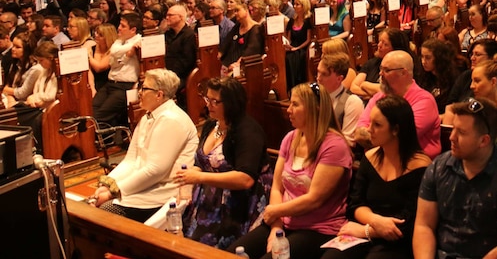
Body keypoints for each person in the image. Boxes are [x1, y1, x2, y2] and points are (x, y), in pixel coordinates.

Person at [229, 83, 353, 258]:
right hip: (284, 222)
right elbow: (277, 188)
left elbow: (314, 199)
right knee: (231, 254)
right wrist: (276, 226)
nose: (289, 110)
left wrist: (276, 212)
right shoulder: (291, 138)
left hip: (318, 228)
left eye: (295, 105)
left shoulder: (334, 146)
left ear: (315, 108)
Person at [413, 98, 497, 259]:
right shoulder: (439, 167)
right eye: (453, 129)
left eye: (462, 132)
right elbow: (424, 226)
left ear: (484, 140)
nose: (452, 137)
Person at [322, 95, 431, 259]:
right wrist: (374, 221)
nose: (369, 129)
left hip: (399, 241)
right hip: (367, 228)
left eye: (377, 125)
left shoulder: (420, 167)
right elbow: (355, 203)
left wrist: (367, 231)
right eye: (370, 122)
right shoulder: (371, 157)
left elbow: (408, 223)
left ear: (396, 130)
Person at [176, 77, 271, 249]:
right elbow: (200, 161)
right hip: (208, 198)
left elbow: (245, 179)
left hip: (239, 204)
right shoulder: (211, 125)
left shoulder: (248, 131)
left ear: (231, 103)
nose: (208, 105)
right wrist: (187, 183)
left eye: (215, 101)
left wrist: (199, 177)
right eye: (207, 99)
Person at [91, 69, 198, 222]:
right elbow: (131, 161)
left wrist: (113, 192)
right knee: (91, 204)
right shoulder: (149, 117)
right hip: (146, 186)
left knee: (105, 211)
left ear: (159, 95)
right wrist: (108, 184)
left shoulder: (171, 120)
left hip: (162, 193)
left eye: (144, 88)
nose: (139, 92)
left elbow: (155, 171)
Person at [356, 50, 441, 158]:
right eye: (381, 69)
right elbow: (359, 132)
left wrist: (373, 136)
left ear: (403, 73)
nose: (380, 74)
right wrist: (384, 137)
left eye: (386, 70)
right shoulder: (379, 96)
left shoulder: (424, 101)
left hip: (414, 165)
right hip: (378, 160)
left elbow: (402, 139)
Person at [93, 12, 142, 126]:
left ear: (133, 30)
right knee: (91, 109)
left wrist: (129, 54)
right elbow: (114, 53)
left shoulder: (139, 43)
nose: (118, 28)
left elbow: (114, 52)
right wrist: (127, 54)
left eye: (123, 26)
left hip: (125, 87)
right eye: (119, 25)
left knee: (100, 116)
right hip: (110, 83)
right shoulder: (119, 42)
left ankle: (104, 141)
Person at [317, 52, 364, 147]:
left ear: (339, 79)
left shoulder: (352, 102)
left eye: (324, 74)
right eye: (318, 72)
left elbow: (348, 143)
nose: (318, 78)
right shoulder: (313, 96)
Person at [351, 28, 412, 101]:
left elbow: (391, 92)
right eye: (379, 41)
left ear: (395, 49)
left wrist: (365, 84)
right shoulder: (371, 63)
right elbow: (353, 87)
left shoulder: (402, 66)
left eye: (385, 44)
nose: (379, 45)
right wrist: (375, 96)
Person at [163, 4, 197, 107]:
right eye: (166, 15)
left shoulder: (189, 35)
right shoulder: (168, 34)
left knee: (161, 90)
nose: (167, 18)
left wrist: (169, 73)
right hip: (166, 72)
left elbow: (187, 61)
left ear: (180, 17)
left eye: (170, 15)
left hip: (181, 76)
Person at [219, 1, 265, 75]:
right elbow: (226, 44)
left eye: (237, 11)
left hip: (243, 67)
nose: (235, 14)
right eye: (234, 11)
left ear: (246, 11)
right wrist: (219, 55)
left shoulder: (256, 28)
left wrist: (237, 64)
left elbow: (251, 51)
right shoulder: (237, 26)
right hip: (227, 63)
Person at [416, 38, 460, 113]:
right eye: (422, 57)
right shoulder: (422, 76)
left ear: (439, 58)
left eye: (428, 58)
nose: (423, 61)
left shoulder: (453, 79)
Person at [285, 0, 312, 87]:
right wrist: (288, 45)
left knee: (295, 57)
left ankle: (298, 83)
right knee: (286, 57)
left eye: (297, 4)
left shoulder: (308, 20)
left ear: (304, 6)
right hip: (293, 46)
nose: (295, 6)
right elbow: (289, 37)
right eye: (294, 4)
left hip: (303, 47)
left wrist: (297, 48)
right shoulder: (292, 20)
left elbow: (308, 39)